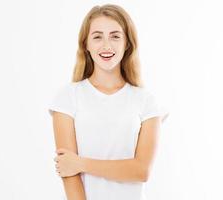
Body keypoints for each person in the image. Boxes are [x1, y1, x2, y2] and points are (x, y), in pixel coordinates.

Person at [48, 4, 169, 200]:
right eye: (97, 37)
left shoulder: (146, 101)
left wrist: (81, 163)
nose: (106, 46)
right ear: (86, 44)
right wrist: (74, 165)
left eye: (115, 36)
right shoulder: (68, 97)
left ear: (127, 43)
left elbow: (141, 171)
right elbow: (69, 175)